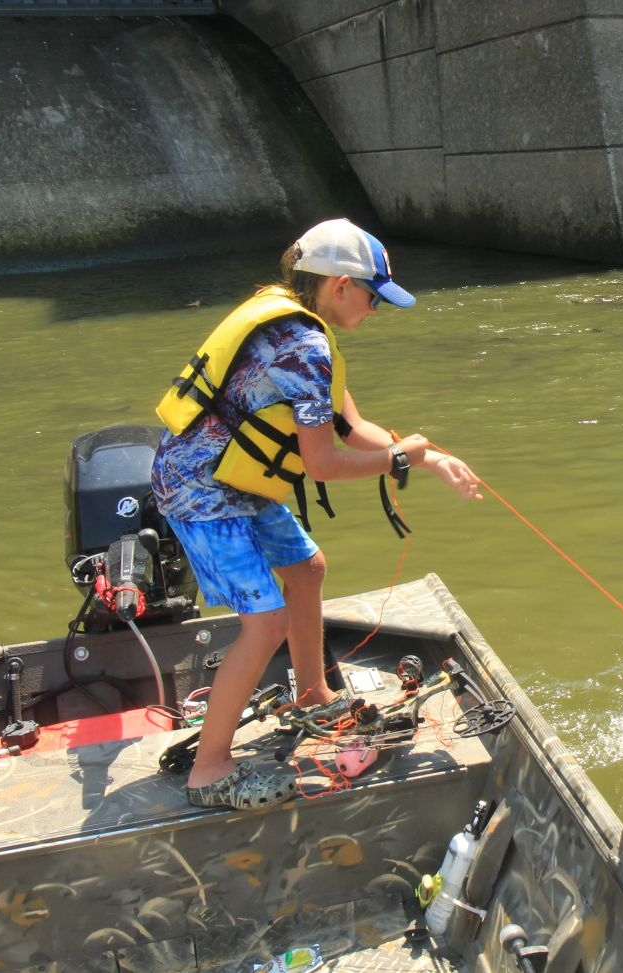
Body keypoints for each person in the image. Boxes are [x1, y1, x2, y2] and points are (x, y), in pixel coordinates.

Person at [150, 218, 481, 810]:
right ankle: (209, 772)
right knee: (265, 621)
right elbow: (324, 463)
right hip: (201, 491)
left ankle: (311, 694)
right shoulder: (304, 346)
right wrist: (403, 457)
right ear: (337, 286)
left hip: (236, 480)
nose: (376, 309)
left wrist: (432, 459)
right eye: (373, 295)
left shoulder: (304, 331)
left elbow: (352, 429)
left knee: (307, 569)